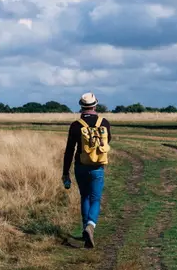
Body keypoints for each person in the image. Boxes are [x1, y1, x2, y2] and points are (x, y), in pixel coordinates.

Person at [62, 92, 112, 249]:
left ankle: (86, 229)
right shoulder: (104, 122)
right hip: (97, 166)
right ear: (95, 105)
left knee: (84, 196)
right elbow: (107, 141)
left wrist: (65, 172)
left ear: (81, 106)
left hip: (80, 166)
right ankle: (91, 225)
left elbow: (69, 150)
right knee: (95, 198)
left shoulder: (76, 125)